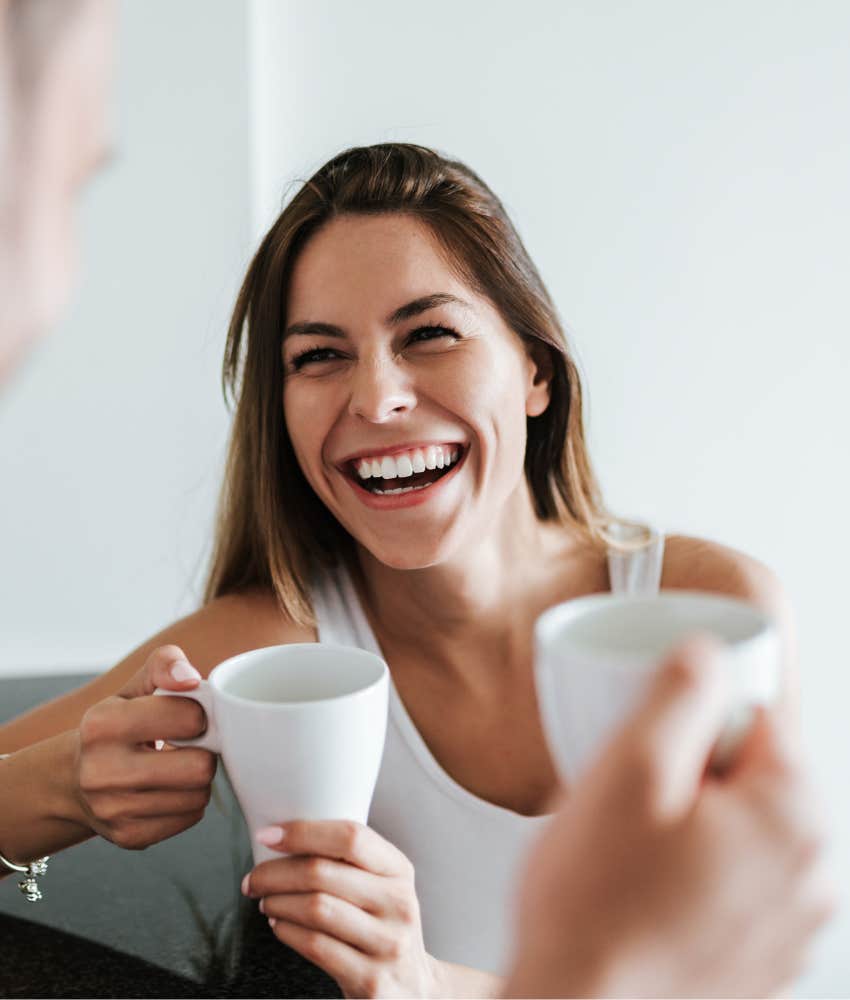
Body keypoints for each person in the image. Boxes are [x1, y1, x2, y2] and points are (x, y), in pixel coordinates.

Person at [0, 3, 833, 996]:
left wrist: (427, 980)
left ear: (534, 370)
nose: (377, 397)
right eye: (319, 355)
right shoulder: (275, 648)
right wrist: (68, 787)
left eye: (428, 332)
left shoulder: (711, 618)